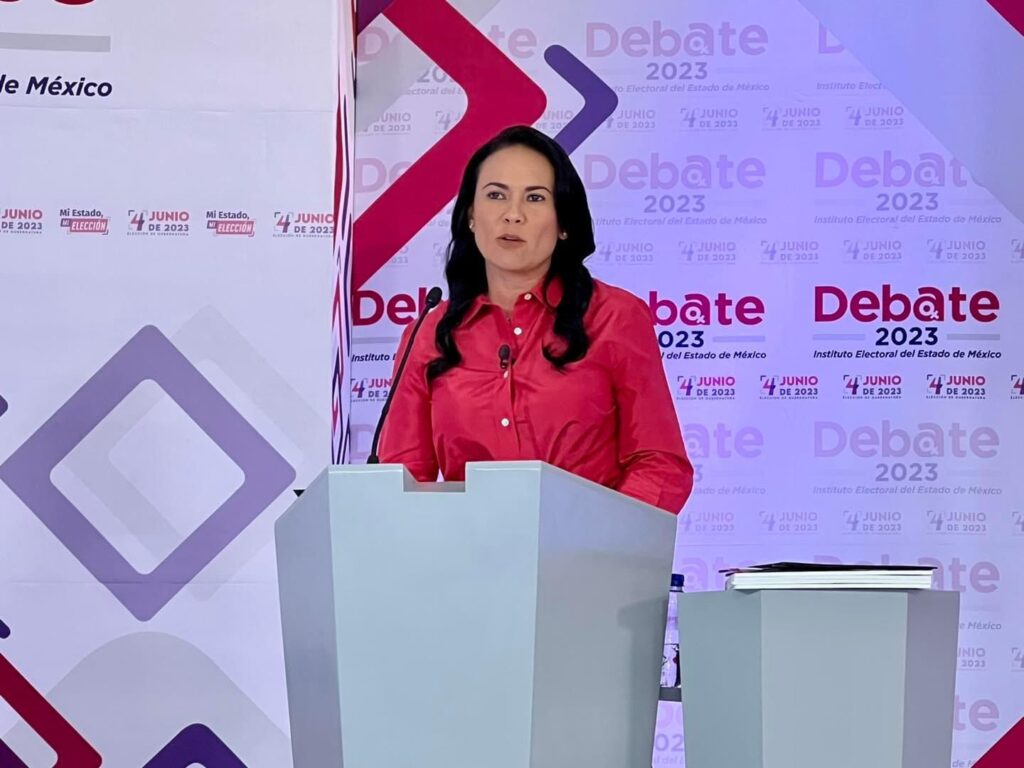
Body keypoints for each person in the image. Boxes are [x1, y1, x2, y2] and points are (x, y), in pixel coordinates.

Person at [378, 125, 692, 514]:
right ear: (471, 215)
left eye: (535, 198)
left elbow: (660, 465)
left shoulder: (616, 317)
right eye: (496, 195)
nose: (513, 215)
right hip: (468, 547)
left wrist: (606, 538)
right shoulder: (429, 332)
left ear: (563, 223)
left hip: (590, 547)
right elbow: (403, 480)